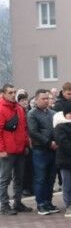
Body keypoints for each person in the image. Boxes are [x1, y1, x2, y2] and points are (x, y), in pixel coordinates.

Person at [0, 83, 31, 215]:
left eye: (14, 92)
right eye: (10, 92)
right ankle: (4, 205)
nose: (13, 95)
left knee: (19, 178)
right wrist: (1, 149)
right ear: (4, 94)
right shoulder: (1, 109)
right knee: (5, 179)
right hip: (8, 150)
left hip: (20, 149)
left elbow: (24, 129)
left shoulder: (19, 109)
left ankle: (18, 202)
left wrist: (25, 144)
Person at [28, 89, 60, 215]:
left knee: (51, 178)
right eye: (43, 99)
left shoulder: (53, 113)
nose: (46, 101)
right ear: (36, 100)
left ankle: (48, 202)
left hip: (53, 150)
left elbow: (58, 128)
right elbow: (33, 132)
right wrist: (48, 142)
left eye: (48, 98)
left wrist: (57, 141)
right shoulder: (32, 114)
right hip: (40, 150)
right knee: (40, 178)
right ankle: (41, 203)